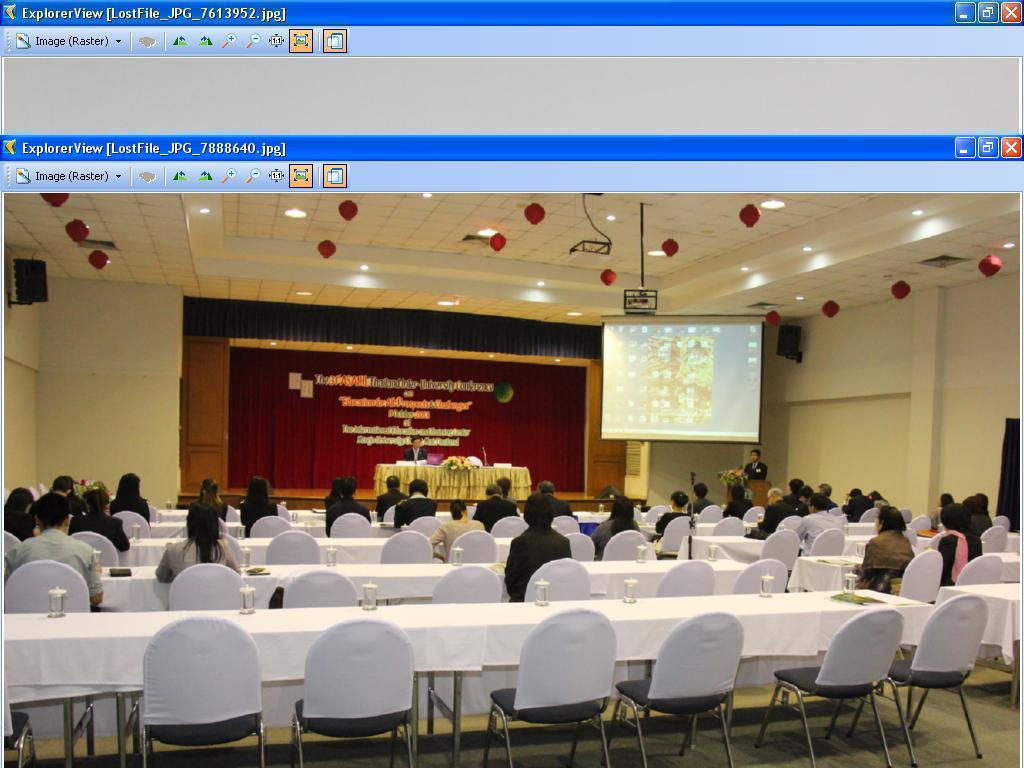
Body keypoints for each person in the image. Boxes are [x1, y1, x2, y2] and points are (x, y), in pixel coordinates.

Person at [3, 492, 103, 606]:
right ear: (68, 520)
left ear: (37, 519)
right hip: (73, 615)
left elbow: (6, 594)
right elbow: (97, 598)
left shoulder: (16, 551)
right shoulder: (85, 550)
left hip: (26, 615)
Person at [504, 493, 571, 602]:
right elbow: (567, 577)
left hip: (524, 601)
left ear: (527, 515)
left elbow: (511, 580)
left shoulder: (520, 543)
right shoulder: (563, 542)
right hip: (556, 601)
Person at [156, 503, 240, 583]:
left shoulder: (172, 550)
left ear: (189, 523)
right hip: (217, 592)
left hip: (184, 593)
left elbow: (162, 577)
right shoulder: (223, 547)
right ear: (215, 525)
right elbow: (236, 574)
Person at [855, 506, 915, 593]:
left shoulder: (875, 542)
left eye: (876, 519)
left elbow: (867, 573)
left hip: (879, 590)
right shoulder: (906, 542)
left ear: (882, 522)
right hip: (901, 590)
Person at [70, 487, 130, 552]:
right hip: (107, 557)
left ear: (87, 504)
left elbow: (71, 543)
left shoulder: (76, 521)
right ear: (107, 505)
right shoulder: (115, 523)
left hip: (82, 557)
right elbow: (124, 547)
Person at [937, 503, 983, 586]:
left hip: (949, 586)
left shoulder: (948, 541)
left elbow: (941, 569)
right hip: (972, 585)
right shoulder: (976, 540)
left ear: (946, 521)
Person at [590, 496, 639, 560]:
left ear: (614, 510)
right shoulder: (635, 527)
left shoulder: (604, 527)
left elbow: (590, 545)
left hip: (605, 564)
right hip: (629, 564)